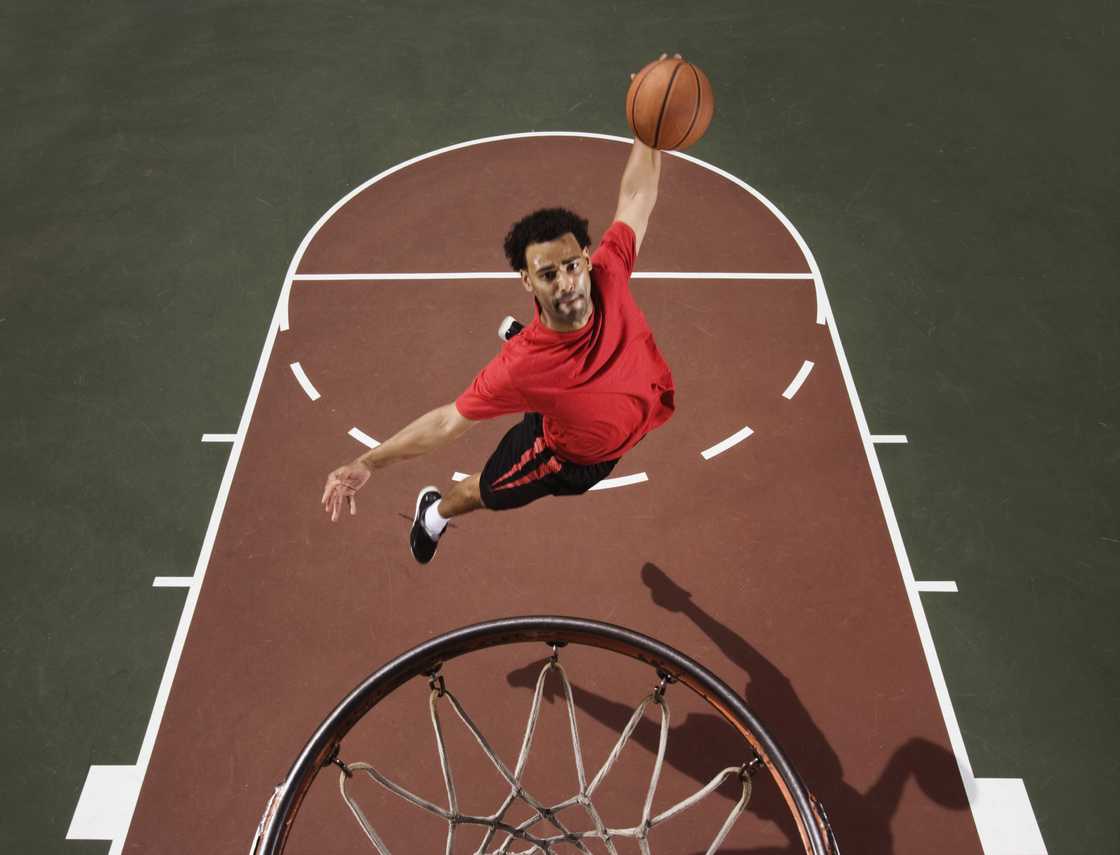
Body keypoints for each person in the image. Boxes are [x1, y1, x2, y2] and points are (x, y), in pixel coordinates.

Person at [321, 115, 675, 565]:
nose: (566, 282)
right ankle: (432, 514)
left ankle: (528, 346)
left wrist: (651, 130)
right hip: (563, 457)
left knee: (556, 376)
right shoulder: (522, 367)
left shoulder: (609, 271)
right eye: (548, 274)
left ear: (587, 259)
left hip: (632, 415)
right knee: (485, 490)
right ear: (527, 281)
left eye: (571, 266)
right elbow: (448, 421)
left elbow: (637, 196)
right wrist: (368, 462)